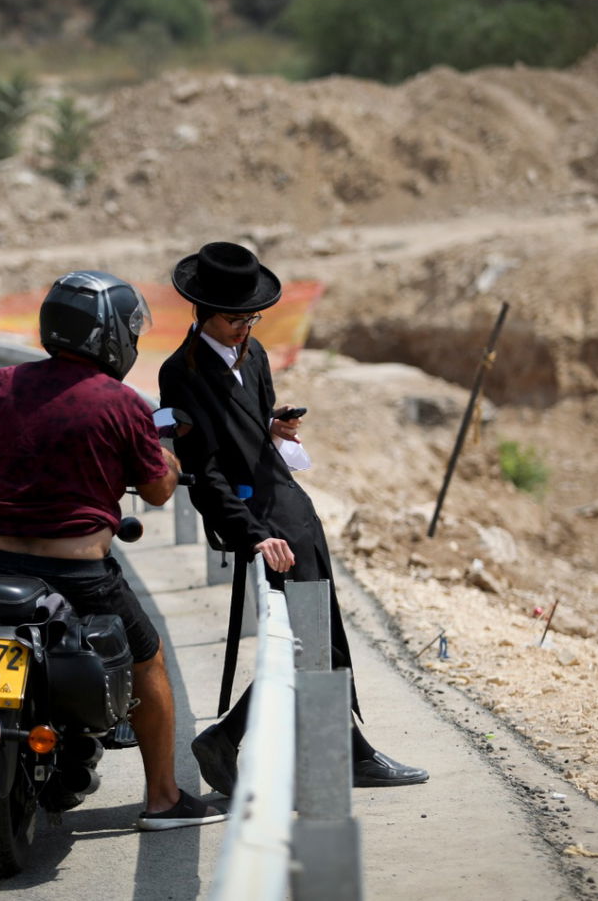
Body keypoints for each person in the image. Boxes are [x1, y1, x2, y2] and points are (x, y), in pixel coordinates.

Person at [0, 269, 227, 846]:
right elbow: (156, 491)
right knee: (148, 662)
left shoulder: (3, 385)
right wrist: (168, 463)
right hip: (78, 576)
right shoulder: (122, 405)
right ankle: (164, 798)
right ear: (111, 339)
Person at [157, 241, 429, 794]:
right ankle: (260, 743)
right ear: (202, 312)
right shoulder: (180, 374)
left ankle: (328, 750)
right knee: (308, 641)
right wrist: (252, 536)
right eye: (235, 319)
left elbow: (249, 425)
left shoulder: (253, 356)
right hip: (260, 521)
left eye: (252, 317)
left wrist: (272, 425)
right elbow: (205, 474)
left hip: (292, 510)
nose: (245, 327)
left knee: (316, 636)